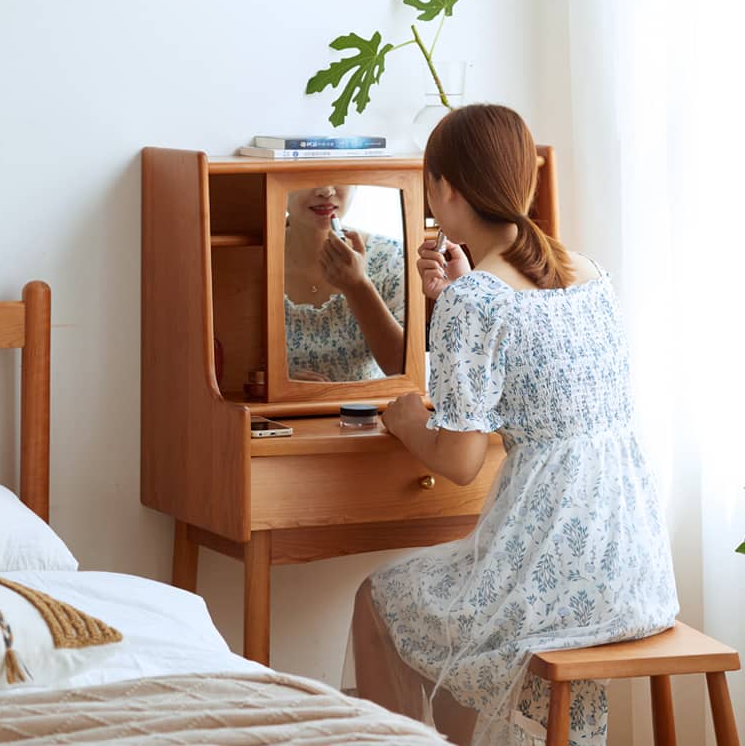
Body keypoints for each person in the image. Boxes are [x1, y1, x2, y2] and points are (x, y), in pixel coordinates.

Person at [347, 105, 679, 745]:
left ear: (444, 188)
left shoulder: (479, 300)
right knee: (449, 635)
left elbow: (461, 461)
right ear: (524, 179)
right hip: (634, 572)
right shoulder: (588, 273)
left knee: (378, 601)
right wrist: (455, 301)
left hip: (551, 574)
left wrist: (407, 419)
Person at [284, 185, 405, 382]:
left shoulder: (391, 258)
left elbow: (403, 368)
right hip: (276, 412)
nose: (326, 191)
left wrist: (358, 285)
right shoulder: (253, 258)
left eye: (339, 174)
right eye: (310, 175)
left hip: (368, 411)